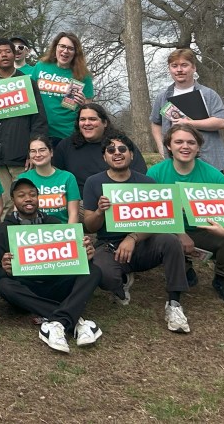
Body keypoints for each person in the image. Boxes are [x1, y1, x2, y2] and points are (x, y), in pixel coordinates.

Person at [82, 135, 191, 333]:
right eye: (111, 150)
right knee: (101, 273)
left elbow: (159, 221)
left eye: (122, 149)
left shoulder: (147, 182)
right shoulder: (94, 182)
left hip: (143, 244)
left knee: (170, 240)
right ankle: (120, 283)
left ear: (131, 155)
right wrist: (99, 212)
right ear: (104, 157)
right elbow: (89, 226)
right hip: (109, 246)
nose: (117, 153)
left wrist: (132, 237)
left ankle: (174, 304)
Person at [0, 176, 102, 353]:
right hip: (27, 288)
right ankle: (74, 320)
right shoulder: (3, 230)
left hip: (57, 283)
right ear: (14, 200)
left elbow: (73, 261)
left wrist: (86, 256)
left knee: (93, 271)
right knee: (5, 286)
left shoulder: (54, 223)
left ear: (38, 197)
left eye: (32, 194)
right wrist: (5, 270)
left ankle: (58, 321)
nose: (28, 198)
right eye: (21, 195)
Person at [147, 124, 224, 303]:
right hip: (168, 231)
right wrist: (181, 234)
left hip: (204, 231)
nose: (185, 146)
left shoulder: (213, 175)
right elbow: (150, 215)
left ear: (198, 146)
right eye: (178, 141)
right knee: (163, 238)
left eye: (191, 142)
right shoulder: (155, 173)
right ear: (169, 146)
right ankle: (184, 269)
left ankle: (222, 279)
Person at [0, 37, 48, 191]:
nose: (4, 55)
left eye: (7, 51)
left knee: (25, 200)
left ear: (14, 55)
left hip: (20, 155)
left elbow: (39, 121)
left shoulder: (27, 83)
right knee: (3, 205)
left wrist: (33, 150)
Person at [150, 49, 224, 171]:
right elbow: (156, 123)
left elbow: (222, 122)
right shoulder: (163, 97)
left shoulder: (208, 94)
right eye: (174, 66)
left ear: (193, 68)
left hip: (208, 160)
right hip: (175, 163)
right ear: (170, 69)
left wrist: (189, 123)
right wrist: (161, 146)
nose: (179, 70)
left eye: (184, 65)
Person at [53, 104, 147, 191]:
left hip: (118, 197)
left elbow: (140, 174)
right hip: (79, 202)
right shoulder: (66, 145)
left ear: (105, 123)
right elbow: (56, 177)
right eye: (82, 119)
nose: (87, 123)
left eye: (92, 119)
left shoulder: (120, 144)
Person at [31, 33, 94, 141]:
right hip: (39, 133)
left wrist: (83, 104)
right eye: (62, 46)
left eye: (70, 48)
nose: (65, 51)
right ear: (56, 47)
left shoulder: (83, 75)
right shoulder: (41, 66)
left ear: (76, 53)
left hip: (66, 134)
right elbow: (30, 96)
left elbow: (89, 108)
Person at [25, 137, 80, 224]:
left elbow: (74, 214)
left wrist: (70, 235)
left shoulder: (68, 177)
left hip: (62, 232)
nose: (38, 154)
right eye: (33, 151)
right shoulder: (23, 179)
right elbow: (18, 212)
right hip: (34, 233)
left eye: (42, 150)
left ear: (51, 152)